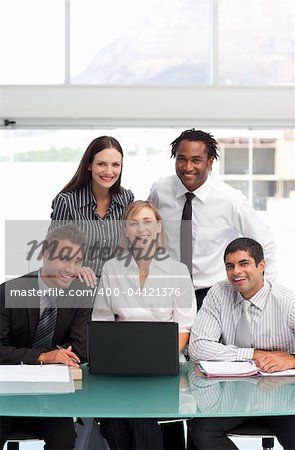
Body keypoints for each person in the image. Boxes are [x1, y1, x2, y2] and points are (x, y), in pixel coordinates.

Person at [92, 200, 196, 450]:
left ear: (159, 227)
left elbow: (185, 327)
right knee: (115, 423)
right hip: (121, 367)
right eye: (134, 223)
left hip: (164, 367)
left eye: (148, 221)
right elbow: (102, 322)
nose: (141, 229)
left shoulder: (177, 270)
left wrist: (159, 358)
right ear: (126, 230)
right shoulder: (111, 268)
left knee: (139, 416)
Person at [148, 129, 276, 309]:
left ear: (210, 162)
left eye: (196, 160)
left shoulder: (231, 200)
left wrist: (263, 295)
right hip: (167, 291)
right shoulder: (160, 190)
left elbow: (265, 243)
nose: (187, 167)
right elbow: (144, 232)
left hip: (212, 294)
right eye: (181, 159)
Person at [187, 237, 295, 450]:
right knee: (200, 428)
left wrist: (291, 359)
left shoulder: (287, 302)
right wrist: (253, 354)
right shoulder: (219, 294)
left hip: (283, 401)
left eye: (243, 263)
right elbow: (198, 347)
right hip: (231, 398)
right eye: (230, 266)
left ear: (261, 266)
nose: (236, 272)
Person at [0, 224, 93, 450]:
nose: (71, 269)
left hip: (51, 394)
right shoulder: (9, 292)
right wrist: (45, 356)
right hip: (6, 394)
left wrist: (59, 356)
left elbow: (80, 351)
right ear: (45, 256)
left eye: (77, 261)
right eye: (64, 258)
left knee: (64, 438)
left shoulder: (79, 296)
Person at [51, 135, 134, 283]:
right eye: (101, 164)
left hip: (116, 287)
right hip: (77, 287)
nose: (109, 171)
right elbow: (54, 253)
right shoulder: (67, 202)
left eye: (115, 164)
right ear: (89, 165)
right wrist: (77, 268)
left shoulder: (126, 199)